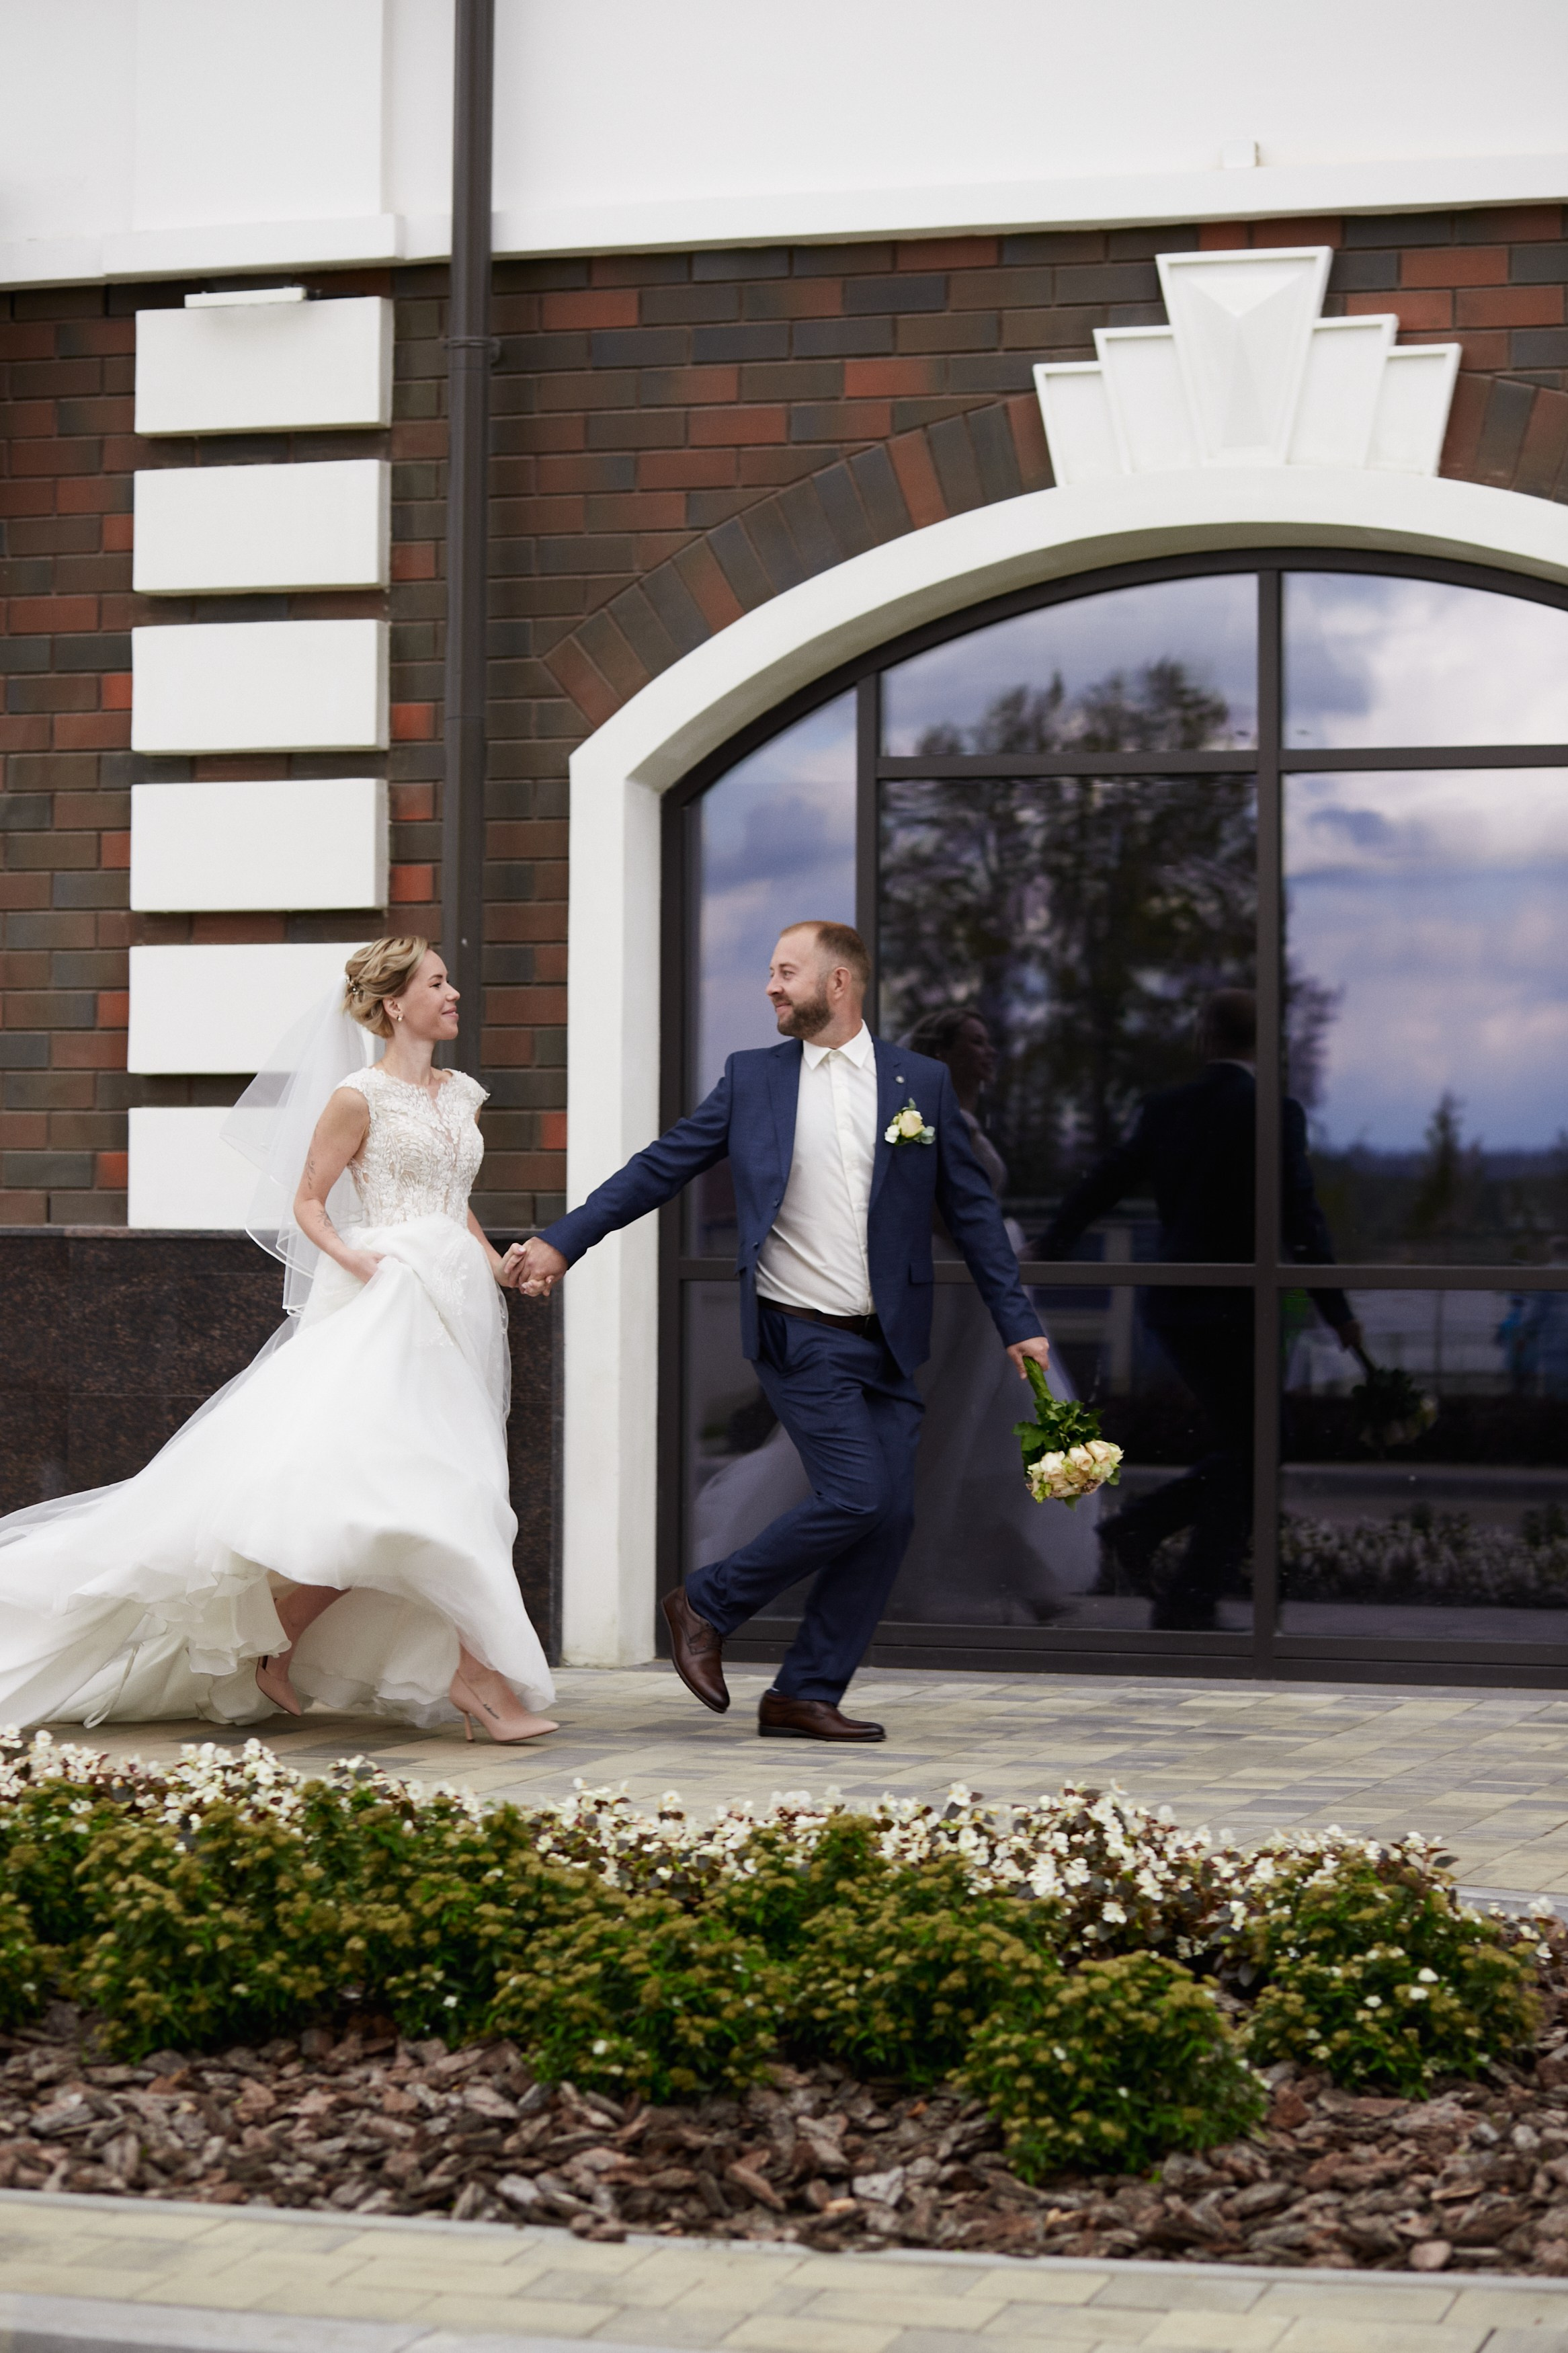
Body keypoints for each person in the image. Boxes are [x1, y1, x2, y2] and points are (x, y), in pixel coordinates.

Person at [0, 936, 557, 1743]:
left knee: (421, 1494)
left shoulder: (464, 1093)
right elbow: (306, 1201)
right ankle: (477, 1682)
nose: (454, 993)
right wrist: (355, 1257)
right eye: (438, 982)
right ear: (396, 1003)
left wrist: (498, 1270)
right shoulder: (357, 1096)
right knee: (441, 1489)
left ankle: (288, 1644)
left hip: (461, 1302)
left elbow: (456, 1204)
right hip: (387, 1303)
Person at [516, 922, 1050, 1741]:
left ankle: (803, 1690)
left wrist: (1018, 1322)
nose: (768, 986)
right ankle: (705, 1601)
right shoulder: (750, 1080)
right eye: (769, 971)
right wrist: (564, 1238)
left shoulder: (922, 1085)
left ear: (838, 983)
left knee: (892, 1515)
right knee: (855, 1493)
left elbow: (974, 1215)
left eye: (784, 972)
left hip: (892, 1339)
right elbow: (659, 1166)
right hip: (799, 1332)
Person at [1037, 988, 1360, 1632]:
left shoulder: (1168, 1109)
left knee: (1254, 1444)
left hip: (1177, 1304)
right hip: (1236, 1309)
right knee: (1260, 1444)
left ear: (1203, 1038)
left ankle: (1154, 1548)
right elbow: (1300, 1217)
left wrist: (1055, 1242)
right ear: (1264, 1042)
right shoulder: (1272, 1111)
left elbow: (1106, 1179)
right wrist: (1336, 1309)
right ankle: (1179, 1583)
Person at [887, 1006, 1100, 1623]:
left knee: (1004, 1430)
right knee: (962, 1428)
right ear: (943, 1052)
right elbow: (917, 1198)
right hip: (952, 1294)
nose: (990, 1053)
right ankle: (928, 1572)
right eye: (975, 1043)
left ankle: (1029, 1576)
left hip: (981, 1292)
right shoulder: (924, 1114)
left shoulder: (967, 1120)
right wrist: (982, 1249)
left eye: (988, 1042)